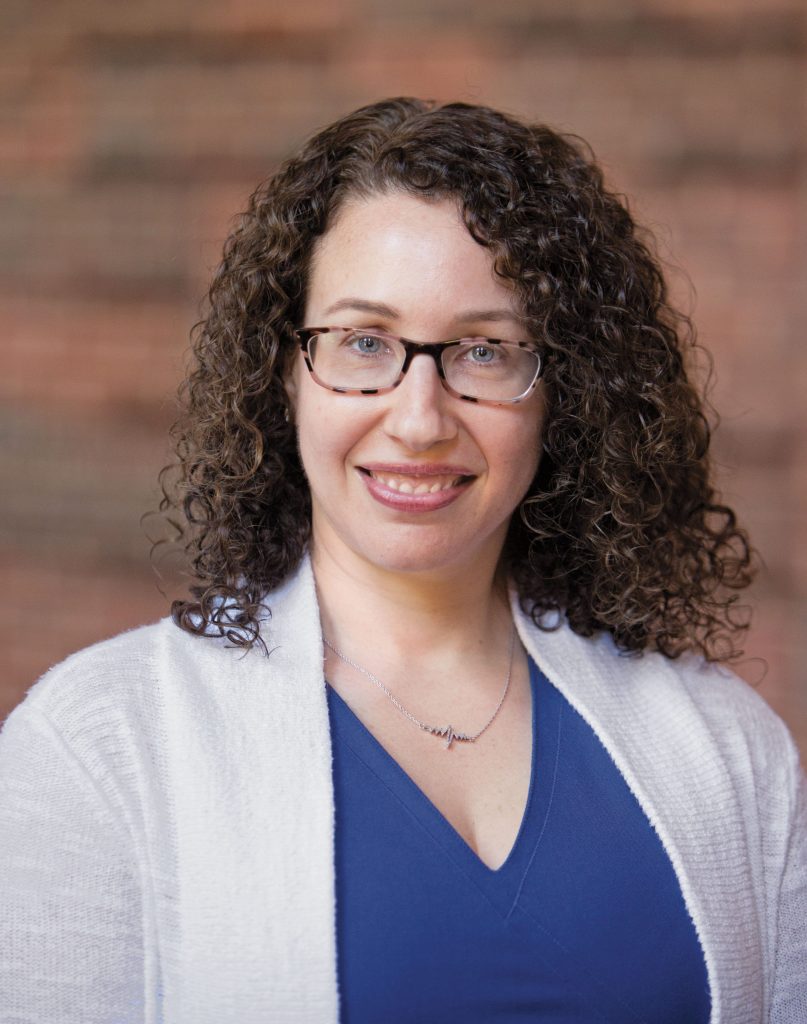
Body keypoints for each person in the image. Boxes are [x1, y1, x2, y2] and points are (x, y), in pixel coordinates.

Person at [0, 98, 805, 1024]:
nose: (419, 418)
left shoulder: (729, 751)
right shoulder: (103, 749)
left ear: (565, 392)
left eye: (484, 351)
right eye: (363, 343)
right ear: (286, 373)